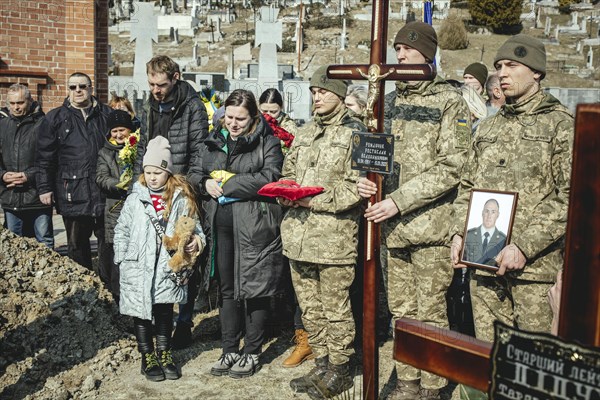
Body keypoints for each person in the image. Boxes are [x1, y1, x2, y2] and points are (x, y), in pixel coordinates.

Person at [357, 21, 471, 400]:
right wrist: (365, 181)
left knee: (431, 313)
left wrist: (399, 200)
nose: (400, 56)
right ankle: (407, 382)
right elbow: (372, 154)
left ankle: (433, 386)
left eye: (407, 50)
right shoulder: (388, 102)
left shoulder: (449, 101)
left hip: (430, 227)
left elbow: (454, 164)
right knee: (402, 313)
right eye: (398, 50)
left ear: (427, 53)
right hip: (393, 229)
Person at [450, 34, 574, 343]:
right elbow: (468, 185)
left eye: (512, 65)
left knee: (532, 365)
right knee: (492, 357)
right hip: (484, 263)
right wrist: (458, 233)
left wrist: (524, 246)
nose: (502, 73)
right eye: (499, 66)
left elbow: (571, 198)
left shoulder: (561, 126)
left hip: (534, 271)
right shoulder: (489, 127)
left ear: (536, 72)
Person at [280, 66, 366, 399]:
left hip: (333, 238)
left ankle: (341, 369)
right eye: (314, 91)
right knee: (310, 308)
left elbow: (358, 188)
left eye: (324, 91)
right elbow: (288, 170)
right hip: (298, 237)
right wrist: (286, 189)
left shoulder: (356, 133)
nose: (317, 97)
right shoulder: (304, 132)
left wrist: (313, 199)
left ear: (341, 95)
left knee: (335, 308)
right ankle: (322, 363)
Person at [187, 89, 285, 378]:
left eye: (240, 119)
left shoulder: (267, 141)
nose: (233, 123)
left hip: (254, 226)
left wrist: (229, 184)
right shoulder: (214, 139)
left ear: (253, 116)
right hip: (220, 225)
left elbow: (271, 177)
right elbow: (193, 172)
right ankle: (229, 347)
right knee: (227, 288)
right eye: (229, 117)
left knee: (254, 288)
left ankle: (252, 351)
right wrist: (204, 183)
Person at [113, 136, 205, 382]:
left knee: (164, 311)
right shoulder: (135, 198)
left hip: (166, 267)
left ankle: (165, 353)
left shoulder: (181, 199)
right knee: (141, 314)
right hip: (137, 265)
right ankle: (147, 356)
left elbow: (194, 229)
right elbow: (121, 228)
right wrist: (122, 258)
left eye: (158, 172)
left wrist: (197, 242)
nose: (153, 177)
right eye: (148, 172)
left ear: (168, 171)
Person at [137, 55, 209, 348]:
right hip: (153, 186)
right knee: (154, 257)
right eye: (152, 84)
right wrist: (141, 183)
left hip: (181, 190)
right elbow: (143, 145)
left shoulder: (192, 107)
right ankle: (158, 318)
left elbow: (198, 151)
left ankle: (184, 322)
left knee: (183, 258)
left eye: (161, 84)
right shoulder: (149, 104)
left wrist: (183, 189)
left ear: (176, 77)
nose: (156, 90)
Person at [258, 87, 311, 368]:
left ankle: (300, 332)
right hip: (259, 203)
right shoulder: (252, 125)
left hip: (284, 202)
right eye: (264, 111)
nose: (268, 117)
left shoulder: (292, 132)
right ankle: (266, 323)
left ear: (282, 110)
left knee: (291, 272)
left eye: (273, 112)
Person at [36, 72, 111, 270]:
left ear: (91, 89)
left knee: (108, 247)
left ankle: (110, 293)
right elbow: (45, 157)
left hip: (105, 192)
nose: (78, 90)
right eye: (73, 87)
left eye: (82, 86)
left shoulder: (107, 114)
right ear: (68, 90)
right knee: (77, 248)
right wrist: (44, 187)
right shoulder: (55, 118)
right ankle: (85, 293)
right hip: (72, 192)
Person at [0, 84, 53, 249]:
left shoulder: (43, 124)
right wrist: (2, 175)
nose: (16, 107)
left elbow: (49, 159)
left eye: (21, 102)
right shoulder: (2, 125)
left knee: (44, 241)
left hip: (37, 196)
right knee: (13, 245)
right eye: (13, 103)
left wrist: (27, 176)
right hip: (11, 195)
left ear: (30, 101)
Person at [96, 109, 139, 305]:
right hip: (115, 210)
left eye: (122, 130)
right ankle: (118, 297)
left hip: (137, 210)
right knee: (116, 258)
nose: (119, 135)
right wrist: (121, 184)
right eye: (114, 131)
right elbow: (101, 178)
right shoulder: (105, 153)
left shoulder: (138, 148)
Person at [463, 199, 507, 266]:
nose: (489, 216)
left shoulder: (503, 240)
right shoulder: (469, 235)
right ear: (482, 213)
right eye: (487, 211)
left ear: (498, 215)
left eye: (493, 212)